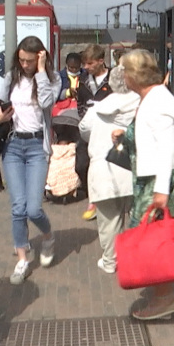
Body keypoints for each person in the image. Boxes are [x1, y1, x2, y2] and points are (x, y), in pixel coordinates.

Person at [114, 49, 174, 320]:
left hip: (161, 177)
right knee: (151, 237)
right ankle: (163, 293)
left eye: (125, 71)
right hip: (156, 176)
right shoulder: (153, 97)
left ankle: (166, 297)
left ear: (135, 75)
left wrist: (161, 190)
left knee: (153, 238)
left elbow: (166, 148)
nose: (122, 76)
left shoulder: (157, 100)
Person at [0, 36, 61, 285]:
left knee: (34, 208)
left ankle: (48, 235)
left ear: (41, 57)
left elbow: (46, 102)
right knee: (18, 207)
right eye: (21, 60)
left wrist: (41, 71)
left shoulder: (52, 79)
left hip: (36, 148)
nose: (25, 65)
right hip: (12, 145)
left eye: (30, 61)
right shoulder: (12, 77)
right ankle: (22, 258)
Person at [78, 64, 140, 274]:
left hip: (103, 170)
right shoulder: (142, 105)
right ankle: (137, 257)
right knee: (138, 217)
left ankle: (110, 260)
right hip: (135, 169)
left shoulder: (97, 109)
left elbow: (84, 130)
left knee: (108, 221)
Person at [76, 43, 112, 220]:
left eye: (89, 63)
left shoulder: (114, 78)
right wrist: (86, 118)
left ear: (101, 61)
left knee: (108, 166)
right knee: (81, 165)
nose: (85, 67)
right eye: (84, 64)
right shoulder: (82, 82)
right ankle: (93, 195)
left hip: (109, 132)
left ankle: (99, 201)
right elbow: (80, 105)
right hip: (88, 132)